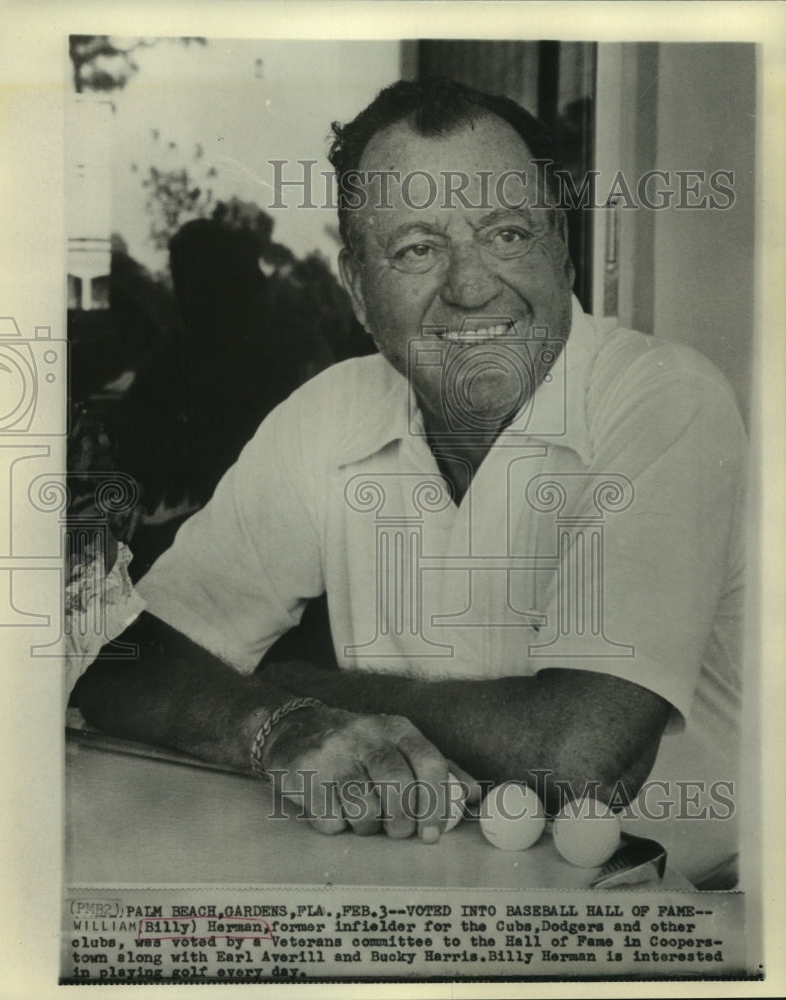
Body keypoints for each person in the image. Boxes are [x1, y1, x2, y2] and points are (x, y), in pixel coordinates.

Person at [72, 78, 746, 884]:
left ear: (559, 246)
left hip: (683, 918)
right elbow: (119, 657)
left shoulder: (664, 395)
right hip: (426, 895)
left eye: (505, 234)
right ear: (357, 286)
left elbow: (580, 758)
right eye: (417, 249)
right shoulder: (331, 412)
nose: (469, 287)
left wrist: (294, 681)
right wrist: (276, 721)